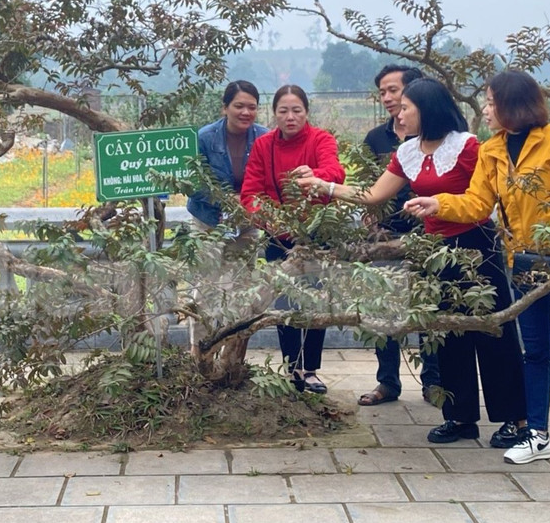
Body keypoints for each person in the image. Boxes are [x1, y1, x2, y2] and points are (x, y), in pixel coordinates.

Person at [406, 68, 550, 468]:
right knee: (536, 351)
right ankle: (537, 435)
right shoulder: (491, 150)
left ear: (512, 104)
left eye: (490, 102)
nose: (485, 110)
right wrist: (439, 203)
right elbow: (476, 204)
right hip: (526, 261)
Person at [337, 79, 526, 449]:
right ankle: (459, 416)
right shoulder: (408, 151)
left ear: (429, 108)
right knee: (446, 334)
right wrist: (325, 186)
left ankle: (514, 419)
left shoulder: (468, 146)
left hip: (475, 247)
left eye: (406, 106)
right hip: (433, 250)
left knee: (492, 332)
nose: (399, 113)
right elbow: (373, 195)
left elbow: (483, 200)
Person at [240, 85, 346, 394]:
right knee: (284, 301)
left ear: (306, 113)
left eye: (296, 110)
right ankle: (292, 368)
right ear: (274, 114)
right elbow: (251, 192)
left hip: (317, 234)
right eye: (283, 111)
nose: (290, 117)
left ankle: (310, 368)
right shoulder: (263, 145)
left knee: (315, 302)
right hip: (279, 235)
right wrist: (267, 217)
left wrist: (314, 174)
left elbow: (335, 172)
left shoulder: (320, 139)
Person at [358, 64, 441, 407]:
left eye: (395, 91)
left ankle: (434, 382)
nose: (389, 98)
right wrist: (369, 218)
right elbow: (367, 187)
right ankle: (387, 382)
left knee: (429, 310)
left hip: (429, 237)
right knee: (382, 309)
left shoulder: (435, 137)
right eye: (383, 92)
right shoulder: (376, 139)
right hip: (386, 236)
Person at [187, 80, 269, 229]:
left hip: (246, 221)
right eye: (239, 106)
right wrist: (227, 199)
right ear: (225, 108)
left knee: (244, 253)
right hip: (207, 221)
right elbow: (193, 185)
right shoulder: (204, 138)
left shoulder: (265, 138)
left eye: (252, 107)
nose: (246, 112)